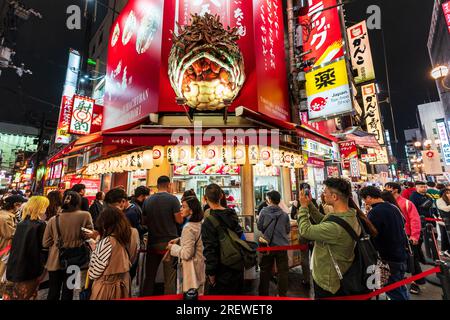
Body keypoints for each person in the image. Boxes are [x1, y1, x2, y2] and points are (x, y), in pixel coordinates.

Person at [297, 178, 377, 298]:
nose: (323, 194)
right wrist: (310, 205)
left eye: (325, 192)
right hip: (343, 273)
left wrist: (303, 207)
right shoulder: (350, 214)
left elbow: (305, 231)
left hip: (329, 283)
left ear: (334, 197)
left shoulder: (335, 227)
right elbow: (322, 220)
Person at [42, 191, 94, 300]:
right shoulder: (85, 215)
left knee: (53, 290)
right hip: (75, 259)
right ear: (78, 202)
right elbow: (89, 235)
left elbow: (45, 242)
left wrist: (58, 241)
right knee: (69, 290)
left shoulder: (53, 219)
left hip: (55, 260)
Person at [360, 186, 409, 300]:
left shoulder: (375, 212)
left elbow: (372, 234)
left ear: (368, 197)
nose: (364, 202)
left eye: (364, 199)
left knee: (393, 290)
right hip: (400, 254)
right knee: (400, 287)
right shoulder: (393, 207)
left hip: (387, 258)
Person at [201, 183, 245, 295]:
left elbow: (210, 249)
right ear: (221, 196)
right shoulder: (232, 214)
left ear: (205, 199)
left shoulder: (208, 221)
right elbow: (239, 235)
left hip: (221, 271)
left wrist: (211, 274)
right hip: (237, 266)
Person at [142, 176, 182, 296]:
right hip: (169, 243)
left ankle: (146, 297)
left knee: (149, 276)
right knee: (169, 278)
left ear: (157, 185)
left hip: (152, 241)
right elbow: (179, 220)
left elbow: (144, 221)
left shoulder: (147, 200)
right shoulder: (173, 199)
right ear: (169, 185)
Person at [88, 206, 139, 300]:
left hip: (107, 288)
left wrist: (95, 250)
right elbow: (132, 257)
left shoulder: (107, 241)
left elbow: (94, 272)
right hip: (124, 283)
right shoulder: (134, 233)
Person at [5, 196, 49, 300]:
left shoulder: (21, 224)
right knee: (28, 294)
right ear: (40, 207)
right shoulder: (40, 225)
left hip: (16, 265)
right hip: (31, 267)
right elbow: (43, 247)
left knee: (17, 295)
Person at [168, 194, 205, 295]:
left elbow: (187, 254)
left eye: (184, 207)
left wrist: (173, 248)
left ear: (191, 210)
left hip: (191, 270)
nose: (180, 209)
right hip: (201, 266)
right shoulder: (200, 223)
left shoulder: (188, 227)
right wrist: (180, 239)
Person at [102, 188, 141, 282]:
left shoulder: (129, 214)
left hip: (122, 265)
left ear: (123, 201)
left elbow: (132, 250)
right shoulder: (133, 208)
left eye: (113, 207)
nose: (111, 210)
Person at [257, 190, 290, 297]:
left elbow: (259, 227)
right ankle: (282, 294)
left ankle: (263, 295)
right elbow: (287, 230)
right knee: (283, 272)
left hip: (268, 246)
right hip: (282, 247)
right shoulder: (284, 215)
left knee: (265, 271)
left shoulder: (263, 212)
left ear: (269, 200)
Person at [0, 195, 27, 290]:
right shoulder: (5, 217)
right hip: (4, 249)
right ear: (15, 204)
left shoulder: (6, 215)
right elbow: (9, 233)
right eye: (20, 205)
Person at [436, 188, 450, 258]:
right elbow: (445, 209)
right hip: (444, 222)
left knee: (445, 237)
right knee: (445, 236)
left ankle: (446, 251)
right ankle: (445, 251)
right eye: (447, 193)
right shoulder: (439, 200)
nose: (449, 194)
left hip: (447, 222)